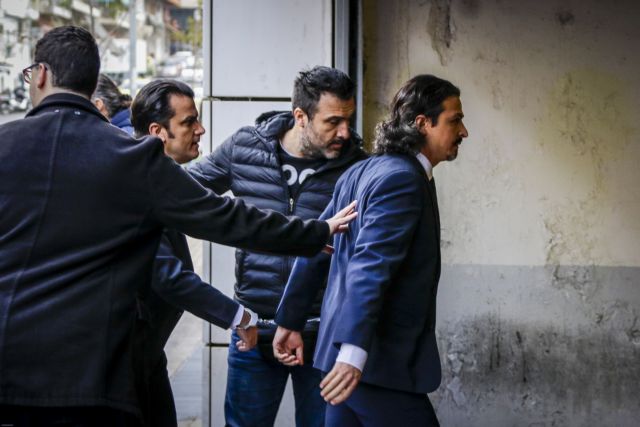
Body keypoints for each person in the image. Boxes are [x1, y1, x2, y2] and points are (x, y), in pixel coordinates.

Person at [0, 26, 355, 426]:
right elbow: (226, 218)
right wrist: (317, 232)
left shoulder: (5, 145)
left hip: (9, 372)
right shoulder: (131, 159)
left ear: (41, 75)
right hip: (94, 382)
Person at [272, 74, 469, 426]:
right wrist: (353, 354)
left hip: (349, 362)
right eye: (455, 120)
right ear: (422, 123)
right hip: (373, 366)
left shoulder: (361, 171)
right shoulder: (402, 179)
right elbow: (370, 267)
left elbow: (321, 244)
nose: (463, 131)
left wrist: (290, 319)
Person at [188, 66, 367, 427]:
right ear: (301, 116)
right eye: (333, 121)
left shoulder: (358, 167)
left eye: (348, 120)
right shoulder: (245, 147)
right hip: (254, 330)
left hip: (323, 337)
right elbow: (183, 193)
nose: (344, 132)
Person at [129, 79, 261, 427]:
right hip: (121, 363)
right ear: (158, 132)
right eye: (189, 122)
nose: (200, 129)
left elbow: (228, 217)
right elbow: (168, 277)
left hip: (147, 355)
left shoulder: (164, 180)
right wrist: (238, 316)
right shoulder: (137, 186)